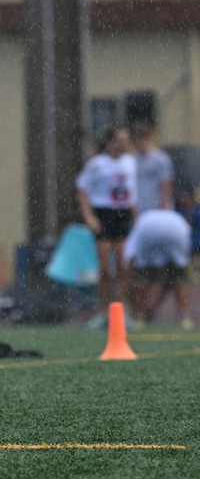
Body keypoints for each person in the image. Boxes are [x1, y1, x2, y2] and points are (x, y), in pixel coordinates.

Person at [76, 125, 137, 327]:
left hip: (123, 215)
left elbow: (132, 193)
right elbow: (82, 189)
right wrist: (89, 217)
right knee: (105, 268)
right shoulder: (97, 164)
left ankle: (120, 311)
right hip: (105, 214)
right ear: (111, 142)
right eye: (121, 139)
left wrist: (136, 219)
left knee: (123, 266)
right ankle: (102, 312)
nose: (125, 144)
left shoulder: (130, 162)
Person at [123, 209, 193, 328]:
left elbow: (130, 266)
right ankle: (185, 317)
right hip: (178, 229)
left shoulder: (134, 235)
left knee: (142, 278)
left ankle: (140, 317)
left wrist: (130, 292)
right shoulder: (148, 221)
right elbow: (169, 281)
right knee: (179, 277)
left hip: (150, 232)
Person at [131, 121, 173, 213]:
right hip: (139, 208)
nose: (140, 143)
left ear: (149, 138)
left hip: (157, 206)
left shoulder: (161, 159)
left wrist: (165, 205)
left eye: (142, 139)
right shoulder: (131, 160)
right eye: (136, 140)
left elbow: (166, 184)